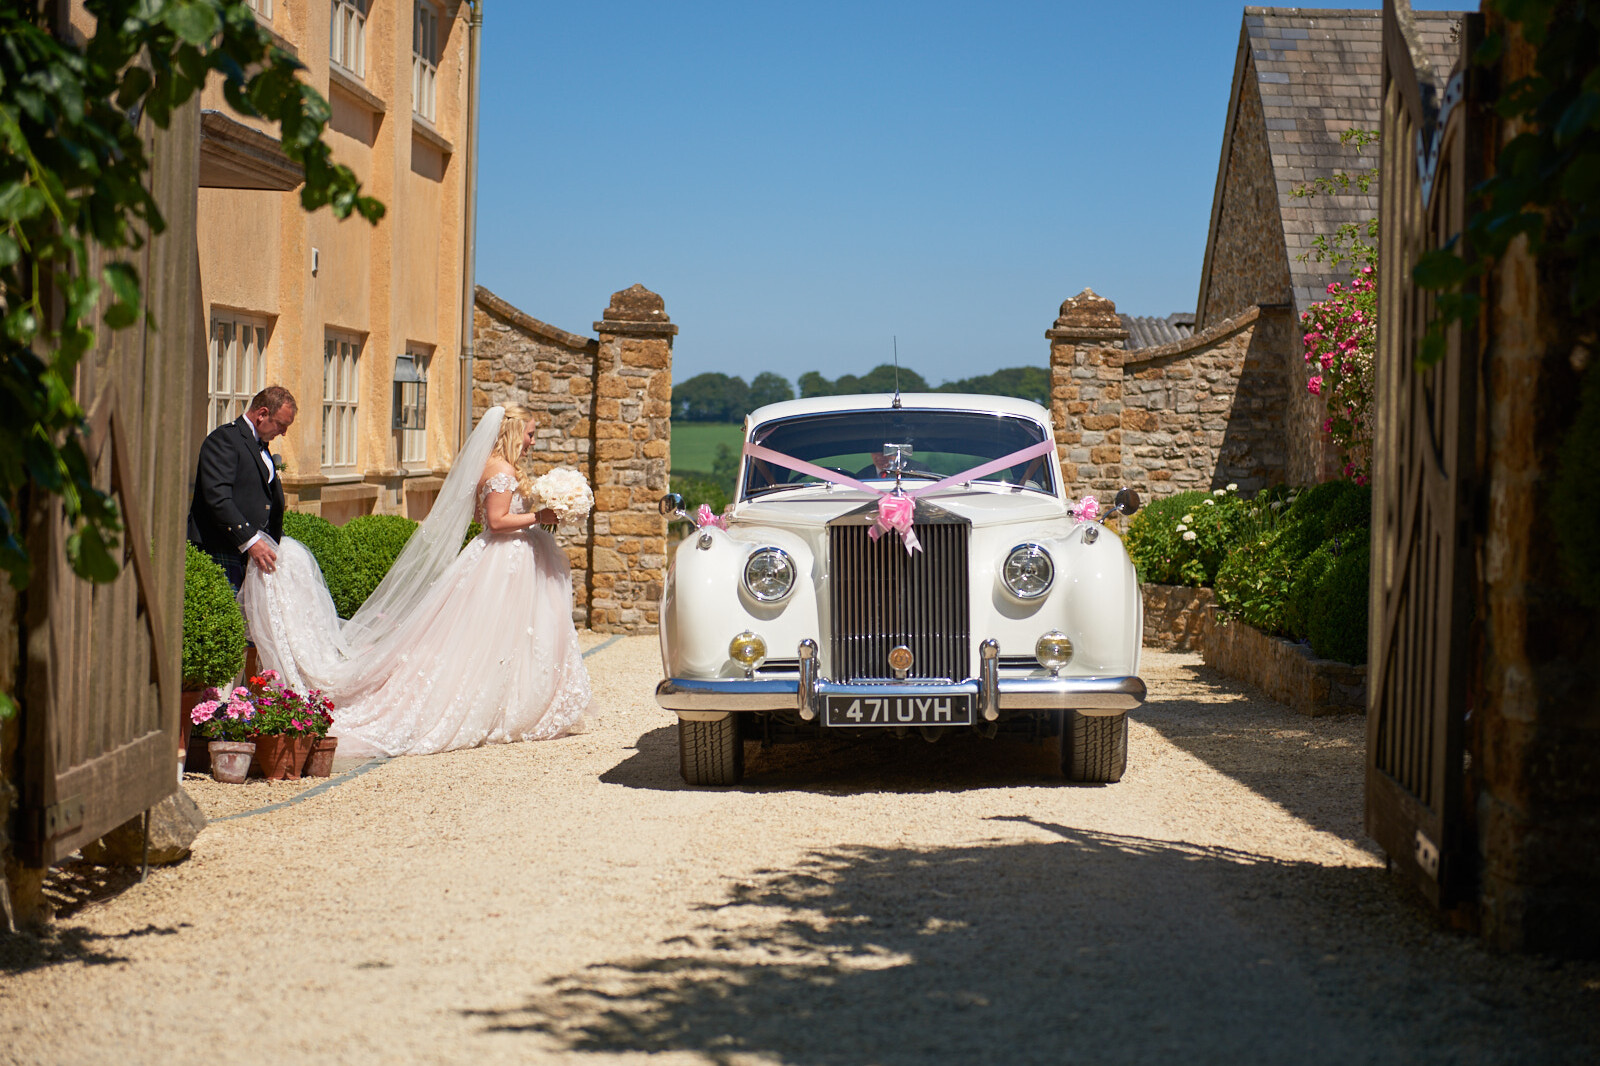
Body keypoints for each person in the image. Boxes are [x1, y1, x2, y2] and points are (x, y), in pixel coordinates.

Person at [239, 405, 594, 757]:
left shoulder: (494, 467)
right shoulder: (500, 470)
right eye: (530, 433)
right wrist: (540, 515)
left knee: (507, 635)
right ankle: (503, 706)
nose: (532, 441)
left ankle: (514, 701)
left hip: (509, 556)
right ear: (515, 431)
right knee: (495, 634)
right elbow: (497, 521)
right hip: (505, 559)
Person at [188, 386, 295, 591]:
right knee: (232, 619)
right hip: (223, 548)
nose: (284, 432)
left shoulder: (260, 445)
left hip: (251, 554)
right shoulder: (224, 440)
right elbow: (218, 498)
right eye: (281, 424)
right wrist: (250, 540)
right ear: (262, 414)